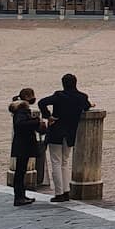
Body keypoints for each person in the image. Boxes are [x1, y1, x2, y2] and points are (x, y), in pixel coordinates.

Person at [38, 73, 93, 203]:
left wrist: (48, 116)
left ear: (63, 84)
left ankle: (59, 193)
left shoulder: (59, 96)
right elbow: (87, 106)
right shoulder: (82, 97)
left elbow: (42, 102)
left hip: (56, 131)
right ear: (76, 82)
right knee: (65, 162)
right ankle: (66, 191)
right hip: (70, 133)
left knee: (56, 162)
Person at [8, 88, 45, 206]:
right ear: (27, 97)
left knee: (21, 171)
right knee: (20, 171)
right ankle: (19, 197)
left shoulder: (20, 109)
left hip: (22, 144)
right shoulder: (21, 110)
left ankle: (21, 195)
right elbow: (20, 124)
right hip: (23, 145)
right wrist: (36, 121)